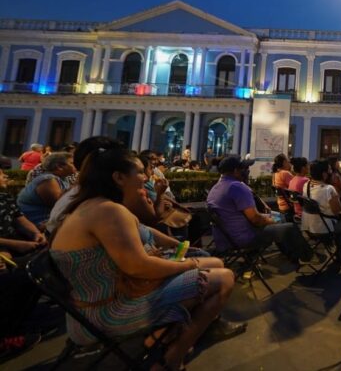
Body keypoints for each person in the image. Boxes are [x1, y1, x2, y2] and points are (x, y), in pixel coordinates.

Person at [50, 148, 241, 371]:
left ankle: (168, 336)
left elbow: (144, 238)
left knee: (212, 267)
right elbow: (139, 267)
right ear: (119, 177)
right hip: (108, 312)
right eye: (140, 172)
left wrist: (181, 255)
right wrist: (189, 264)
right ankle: (168, 361)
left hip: (109, 299)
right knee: (224, 279)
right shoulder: (107, 211)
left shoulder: (97, 205)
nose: (147, 177)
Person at [207, 155, 315, 265]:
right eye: (244, 168)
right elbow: (256, 219)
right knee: (290, 227)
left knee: (280, 222)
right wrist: (273, 220)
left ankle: (292, 256)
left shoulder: (216, 188)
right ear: (236, 171)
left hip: (224, 239)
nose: (247, 170)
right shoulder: (236, 187)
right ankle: (308, 257)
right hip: (244, 238)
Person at [0, 168, 48, 359]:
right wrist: (17, 245)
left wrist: (36, 234)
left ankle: (17, 323)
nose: (6, 176)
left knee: (44, 264)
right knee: (25, 276)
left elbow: (20, 220)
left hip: (15, 247)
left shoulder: (4, 198)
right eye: (1, 174)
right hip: (9, 250)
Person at [301, 160, 341, 260]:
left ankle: (333, 248)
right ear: (324, 174)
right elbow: (338, 212)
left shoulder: (306, 185)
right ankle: (340, 253)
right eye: (329, 169)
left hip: (308, 226)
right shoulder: (328, 189)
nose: (331, 171)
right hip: (323, 228)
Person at [17, 152, 76, 226]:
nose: (75, 165)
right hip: (35, 223)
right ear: (59, 167)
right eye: (72, 163)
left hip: (47, 221)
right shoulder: (48, 180)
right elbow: (60, 206)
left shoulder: (62, 179)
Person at [272, 153, 294, 221]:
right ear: (284, 162)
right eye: (288, 161)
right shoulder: (285, 173)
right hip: (289, 207)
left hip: (281, 206)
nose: (289, 163)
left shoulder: (275, 174)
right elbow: (294, 188)